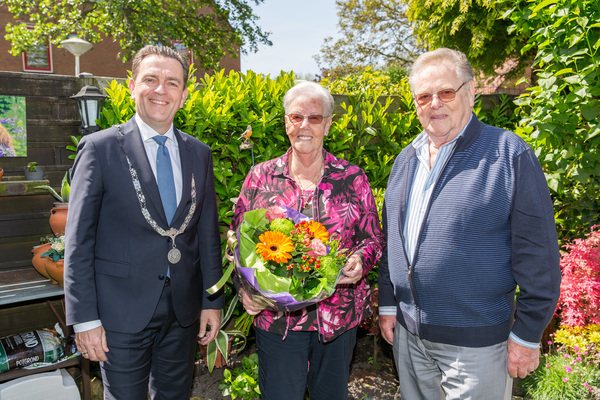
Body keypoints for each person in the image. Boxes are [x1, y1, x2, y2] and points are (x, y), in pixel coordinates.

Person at [378, 48, 561, 400]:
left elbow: (538, 254)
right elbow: (393, 243)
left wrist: (526, 335)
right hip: (410, 340)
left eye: (446, 92)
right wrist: (388, 305)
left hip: (478, 346)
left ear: (471, 91)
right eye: (424, 96)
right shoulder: (406, 159)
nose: (435, 104)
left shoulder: (508, 153)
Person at [64, 45, 224, 399]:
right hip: (119, 312)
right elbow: (78, 241)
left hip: (183, 311)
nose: (160, 90)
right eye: (150, 79)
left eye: (172, 82)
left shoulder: (199, 152)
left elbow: (207, 234)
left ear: (183, 95)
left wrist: (212, 301)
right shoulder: (99, 148)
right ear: (133, 85)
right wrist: (85, 320)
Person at [230, 81, 385, 400]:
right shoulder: (261, 177)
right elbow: (238, 242)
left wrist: (359, 261)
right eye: (296, 117)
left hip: (337, 319)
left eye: (314, 118)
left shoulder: (352, 178)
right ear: (286, 122)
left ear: (327, 124)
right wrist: (246, 291)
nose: (305, 125)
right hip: (277, 320)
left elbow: (372, 239)